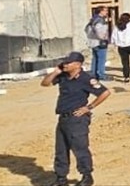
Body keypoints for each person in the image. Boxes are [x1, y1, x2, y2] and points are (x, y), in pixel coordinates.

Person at [42, 52, 110, 186]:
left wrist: (89, 107)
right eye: (65, 62)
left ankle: (86, 176)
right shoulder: (63, 76)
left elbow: (105, 92)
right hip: (63, 118)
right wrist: (56, 72)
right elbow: (45, 83)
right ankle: (61, 178)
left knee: (80, 148)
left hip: (77, 119)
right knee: (60, 150)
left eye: (68, 63)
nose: (65, 65)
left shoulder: (85, 79)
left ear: (78, 65)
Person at [85, 7, 111, 81]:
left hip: (93, 42)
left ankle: (93, 74)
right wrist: (103, 38)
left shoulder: (92, 20)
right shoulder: (100, 20)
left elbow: (86, 30)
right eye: (105, 10)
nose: (106, 12)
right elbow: (100, 31)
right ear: (101, 11)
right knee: (101, 60)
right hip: (100, 43)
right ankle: (101, 75)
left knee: (95, 58)